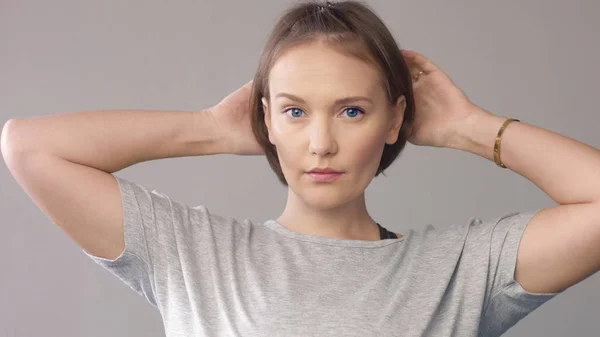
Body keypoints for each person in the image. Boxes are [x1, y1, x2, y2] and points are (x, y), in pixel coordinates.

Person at [3, 1, 600, 336]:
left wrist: (469, 128)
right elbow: (29, 148)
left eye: (351, 110)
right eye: (294, 112)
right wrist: (210, 129)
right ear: (267, 120)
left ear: (394, 121)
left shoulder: (459, 272)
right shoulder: (191, 253)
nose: (320, 143)